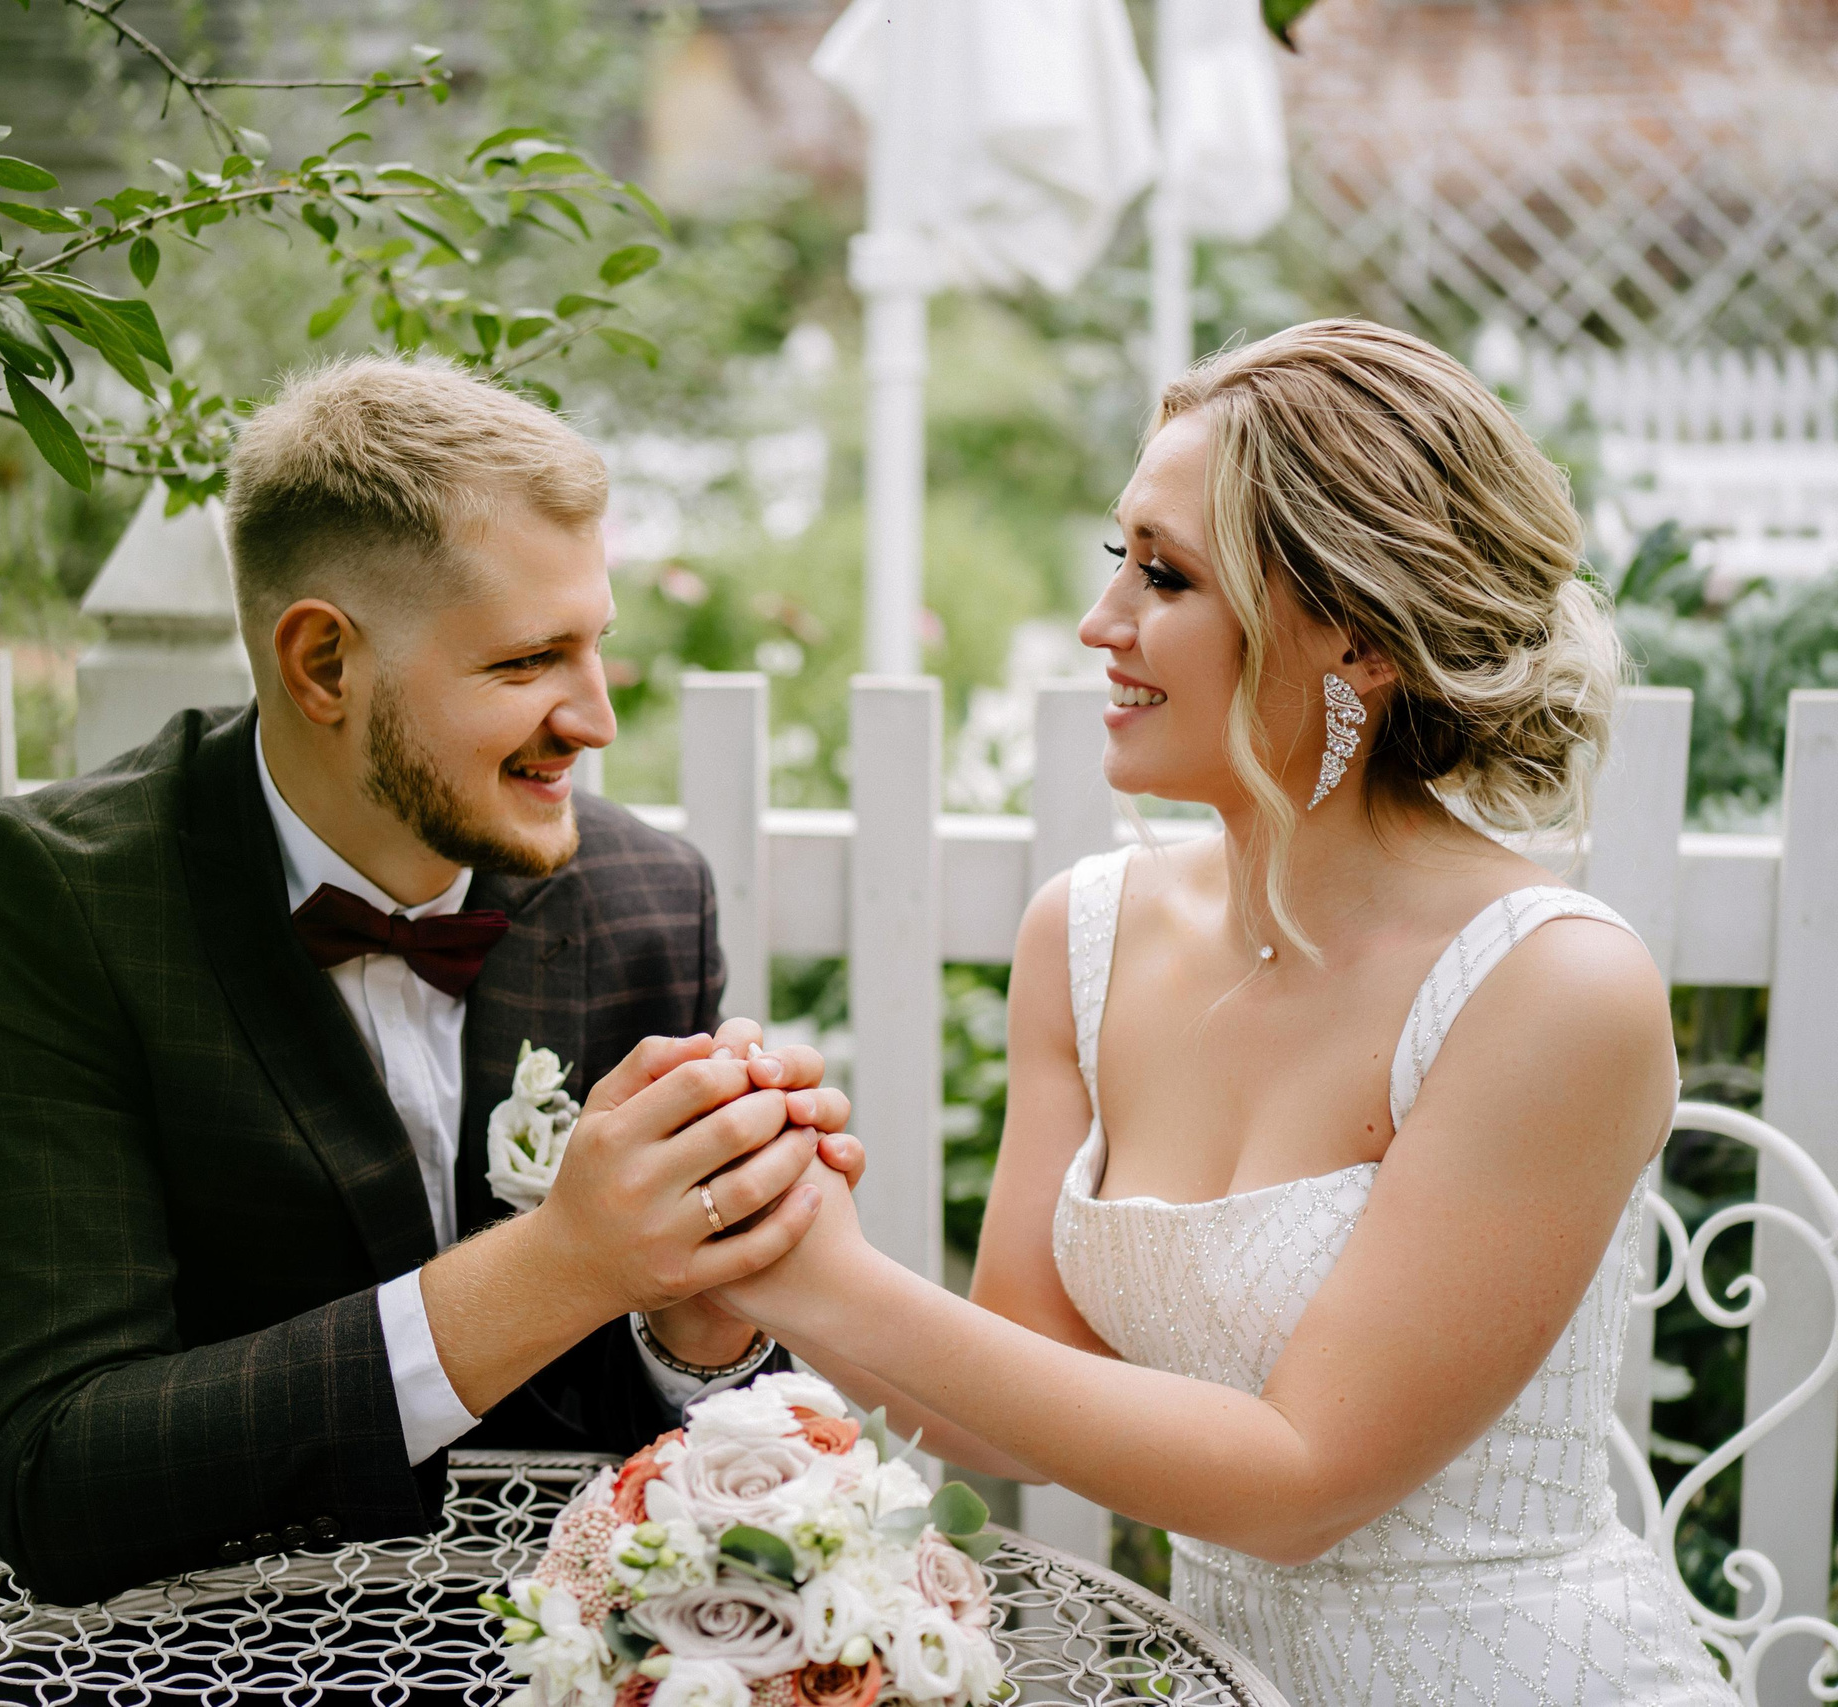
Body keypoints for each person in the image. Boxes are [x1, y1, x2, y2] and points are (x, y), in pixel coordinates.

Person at [714, 320, 1734, 1705]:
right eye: (1116, 558)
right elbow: (1003, 1400)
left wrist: (833, 1283)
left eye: (1167, 574)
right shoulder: (1082, 935)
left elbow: (1300, 1483)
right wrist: (765, 1217)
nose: (1102, 623)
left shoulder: (1551, 986)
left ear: (1357, 635)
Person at [0, 354, 861, 1604]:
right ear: (324, 666)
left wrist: (700, 1326)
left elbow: (637, 1432)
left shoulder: (647, 899)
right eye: (525, 664)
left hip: (524, 1635)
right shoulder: (50, 901)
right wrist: (565, 1259)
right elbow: (56, 1469)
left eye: (594, 648)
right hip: (147, 1641)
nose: (595, 718)